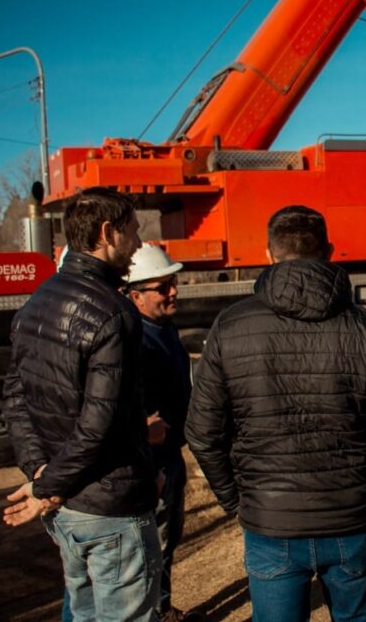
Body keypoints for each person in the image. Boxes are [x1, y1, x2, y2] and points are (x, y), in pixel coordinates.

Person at [185, 205, 366, 622]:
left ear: (268, 253)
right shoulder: (365, 326)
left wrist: (235, 500)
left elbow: (203, 431)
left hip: (272, 521)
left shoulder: (229, 325)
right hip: (347, 514)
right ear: (329, 250)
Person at [0, 187, 162, 621]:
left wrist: (40, 473)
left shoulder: (39, 300)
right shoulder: (115, 313)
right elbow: (98, 428)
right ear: (108, 233)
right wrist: (43, 484)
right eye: (133, 231)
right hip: (107, 509)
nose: (139, 244)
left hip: (66, 510)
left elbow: (15, 400)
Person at [123, 244, 202, 622]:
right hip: (150, 464)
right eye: (163, 286)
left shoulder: (164, 329)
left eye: (174, 282)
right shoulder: (133, 340)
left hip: (170, 456)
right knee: (149, 546)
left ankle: (163, 607)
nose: (173, 291)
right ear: (135, 295)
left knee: (167, 541)